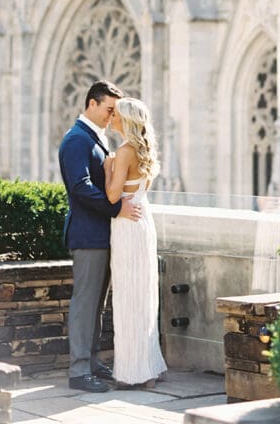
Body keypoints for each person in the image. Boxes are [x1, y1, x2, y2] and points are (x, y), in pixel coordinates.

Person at [58, 80, 142, 393]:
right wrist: (117, 208)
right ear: (91, 104)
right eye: (109, 109)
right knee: (85, 303)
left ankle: (92, 362)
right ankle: (79, 371)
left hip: (102, 234)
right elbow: (80, 188)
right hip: (88, 234)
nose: (112, 116)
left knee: (97, 304)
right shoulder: (77, 140)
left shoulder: (95, 138)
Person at [104, 97, 168, 387]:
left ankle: (132, 373)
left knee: (128, 297)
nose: (112, 118)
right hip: (143, 223)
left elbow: (113, 196)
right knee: (144, 297)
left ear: (126, 121)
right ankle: (148, 369)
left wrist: (108, 169)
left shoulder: (125, 151)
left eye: (116, 115)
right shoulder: (145, 151)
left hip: (127, 225)